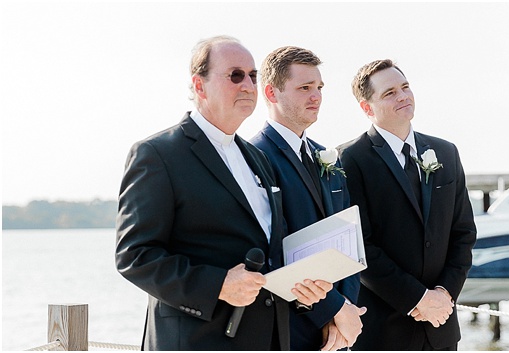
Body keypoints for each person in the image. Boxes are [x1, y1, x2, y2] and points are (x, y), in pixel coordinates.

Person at [115, 36, 332, 350]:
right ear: (199, 86)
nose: (247, 85)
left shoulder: (257, 159)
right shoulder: (158, 154)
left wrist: (305, 287)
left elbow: (272, 253)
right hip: (198, 341)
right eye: (235, 75)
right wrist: (218, 285)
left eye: (252, 76)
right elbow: (136, 256)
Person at [339, 59, 477, 350]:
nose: (403, 96)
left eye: (405, 87)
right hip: (383, 331)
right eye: (389, 93)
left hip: (441, 327)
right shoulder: (350, 159)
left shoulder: (446, 152)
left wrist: (444, 294)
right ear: (367, 107)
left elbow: (463, 233)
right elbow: (359, 247)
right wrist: (418, 299)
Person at [248, 46, 365, 350]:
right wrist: (333, 310)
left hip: (338, 332)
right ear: (271, 93)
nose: (316, 96)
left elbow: (349, 239)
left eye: (319, 87)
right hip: (288, 325)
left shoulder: (328, 157)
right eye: (304, 88)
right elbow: (274, 249)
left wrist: (347, 310)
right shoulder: (254, 157)